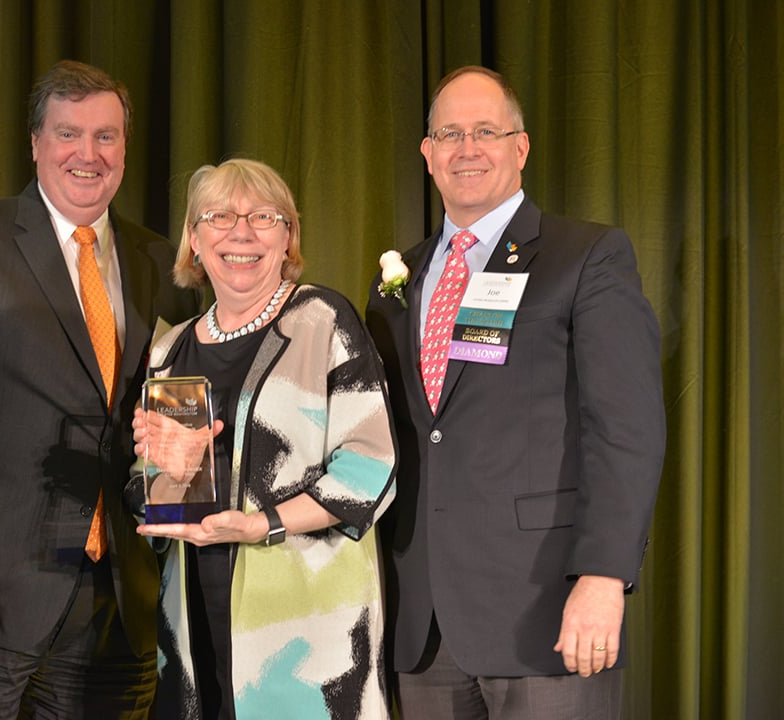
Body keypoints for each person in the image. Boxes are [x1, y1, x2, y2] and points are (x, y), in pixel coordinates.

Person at [0, 59, 199, 718]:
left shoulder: (155, 261)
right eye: (68, 134)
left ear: (125, 148)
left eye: (106, 136)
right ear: (34, 143)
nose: (88, 154)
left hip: (114, 606)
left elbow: (182, 388)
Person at [366, 66, 665, 719]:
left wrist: (604, 576)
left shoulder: (584, 256)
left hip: (547, 614)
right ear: (427, 153)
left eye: (485, 132)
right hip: (424, 624)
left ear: (520, 148)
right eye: (449, 134)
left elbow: (626, 430)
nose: (466, 149)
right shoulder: (399, 279)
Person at [130, 158, 398, 719]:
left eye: (263, 216)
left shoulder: (323, 320)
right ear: (195, 241)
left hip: (307, 643)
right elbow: (150, 493)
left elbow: (370, 468)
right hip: (193, 632)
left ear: (288, 237)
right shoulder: (170, 349)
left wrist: (262, 523)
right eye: (220, 216)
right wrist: (158, 470)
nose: (241, 232)